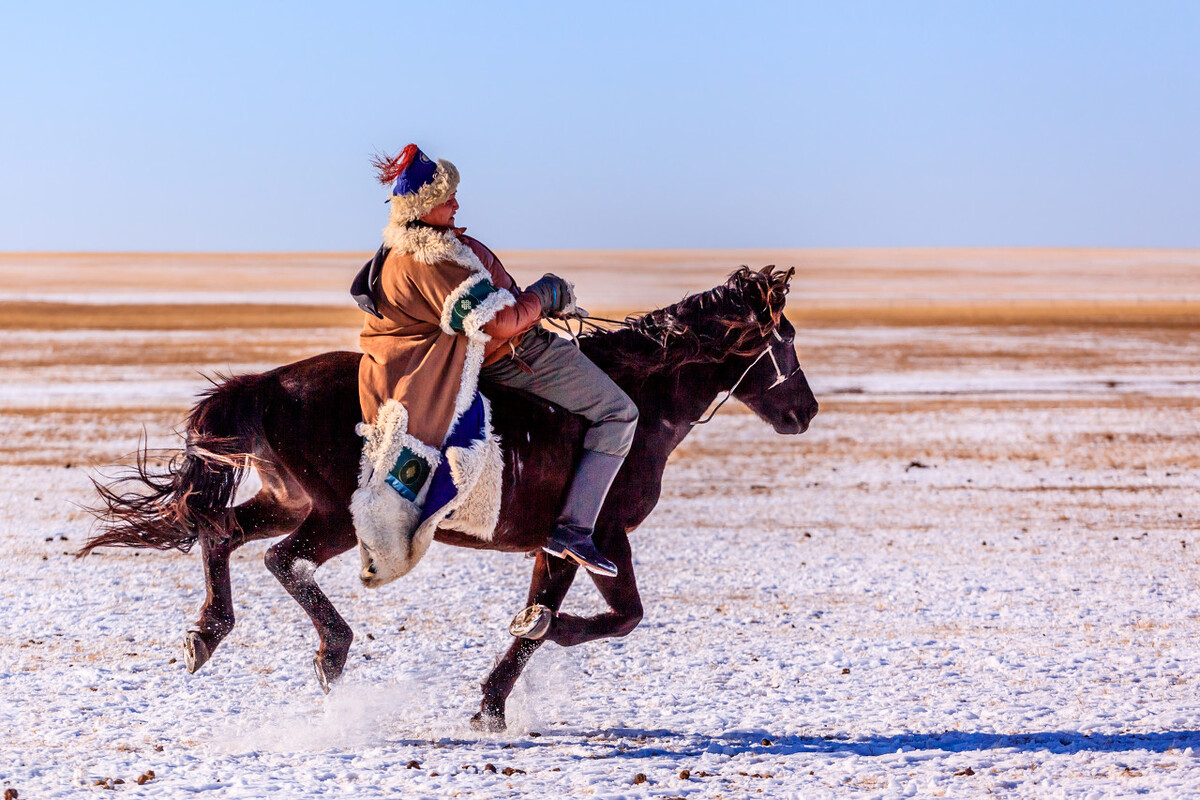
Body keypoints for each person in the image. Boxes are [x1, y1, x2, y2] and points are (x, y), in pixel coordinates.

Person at [352, 144, 638, 577]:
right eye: (447, 199)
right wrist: (545, 295)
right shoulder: (429, 260)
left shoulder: (416, 249)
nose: (456, 204)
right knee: (620, 413)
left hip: (500, 348)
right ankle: (574, 529)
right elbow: (498, 323)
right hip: (513, 355)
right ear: (424, 207)